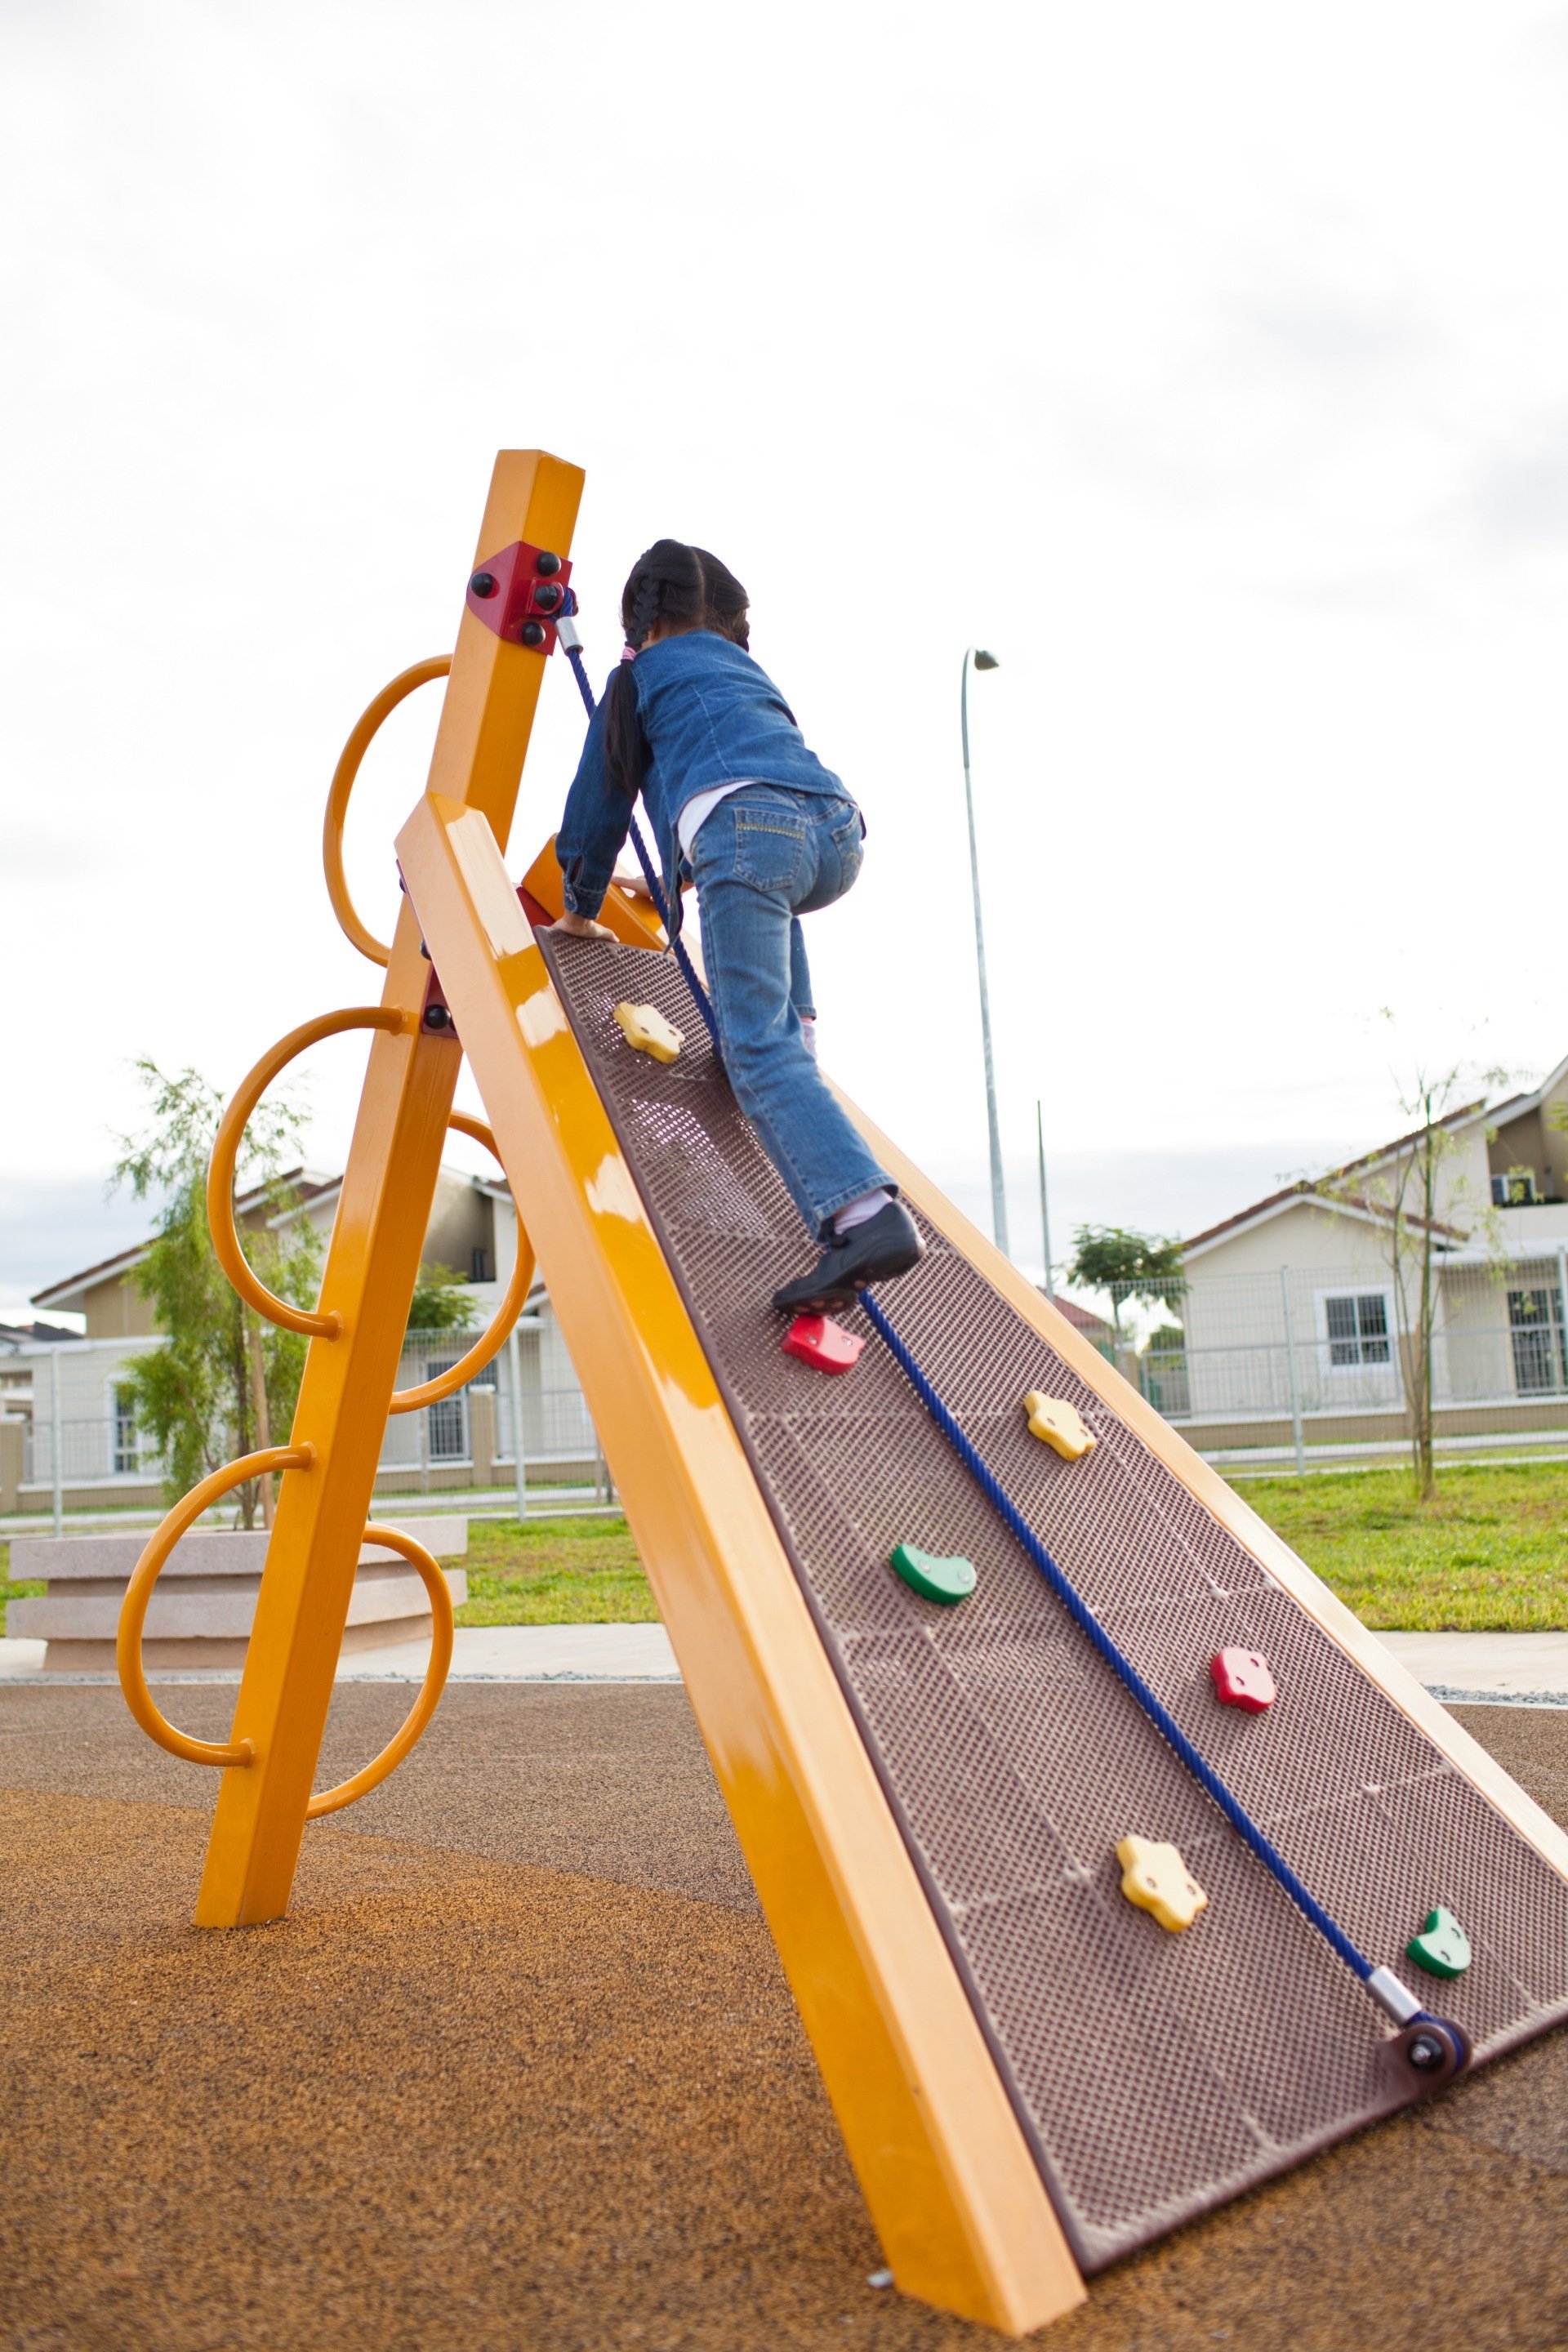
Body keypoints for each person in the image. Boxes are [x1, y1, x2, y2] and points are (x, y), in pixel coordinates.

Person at [550, 538, 924, 1314]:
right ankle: (801, 1040)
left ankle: (867, 1216)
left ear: (641, 622)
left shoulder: (637, 677)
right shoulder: (745, 672)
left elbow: (598, 808)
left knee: (750, 1046)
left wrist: (581, 905)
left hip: (748, 830)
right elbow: (750, 797)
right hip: (836, 831)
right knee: (767, 940)